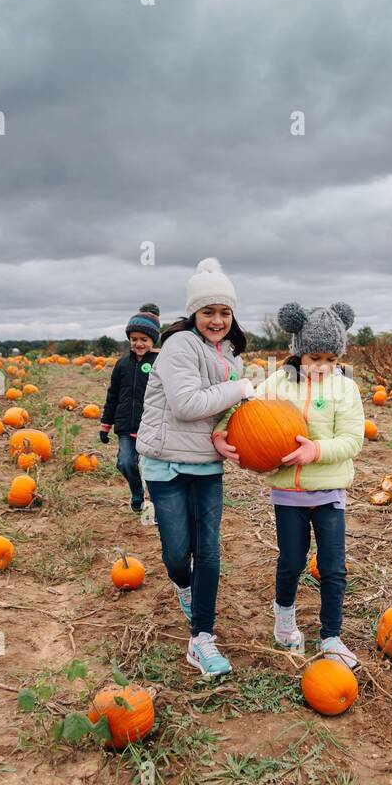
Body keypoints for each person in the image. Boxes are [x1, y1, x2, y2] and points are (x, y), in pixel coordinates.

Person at [212, 301, 364, 668]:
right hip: (288, 494)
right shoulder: (277, 382)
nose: (322, 366)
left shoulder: (346, 389)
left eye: (330, 357)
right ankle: (284, 622)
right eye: (314, 357)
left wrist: (316, 450)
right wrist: (220, 432)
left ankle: (330, 637)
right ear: (299, 351)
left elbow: (352, 440)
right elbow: (242, 410)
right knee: (291, 562)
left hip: (328, 493)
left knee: (333, 567)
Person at [136, 258, 254, 678]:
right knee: (175, 553)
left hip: (206, 465)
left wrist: (225, 433)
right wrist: (237, 388)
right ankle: (181, 584)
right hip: (165, 463)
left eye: (225, 312)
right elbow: (187, 406)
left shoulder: (233, 357)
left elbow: (223, 413)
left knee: (208, 552)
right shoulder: (180, 345)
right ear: (194, 313)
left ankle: (201, 638)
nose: (217, 320)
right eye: (208, 312)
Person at [99, 303, 161, 512]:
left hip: (152, 424)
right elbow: (112, 395)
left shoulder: (161, 362)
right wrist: (105, 424)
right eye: (134, 339)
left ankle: (154, 500)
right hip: (126, 424)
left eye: (144, 339)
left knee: (154, 467)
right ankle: (137, 492)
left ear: (153, 340)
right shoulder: (122, 364)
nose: (139, 343)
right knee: (125, 463)